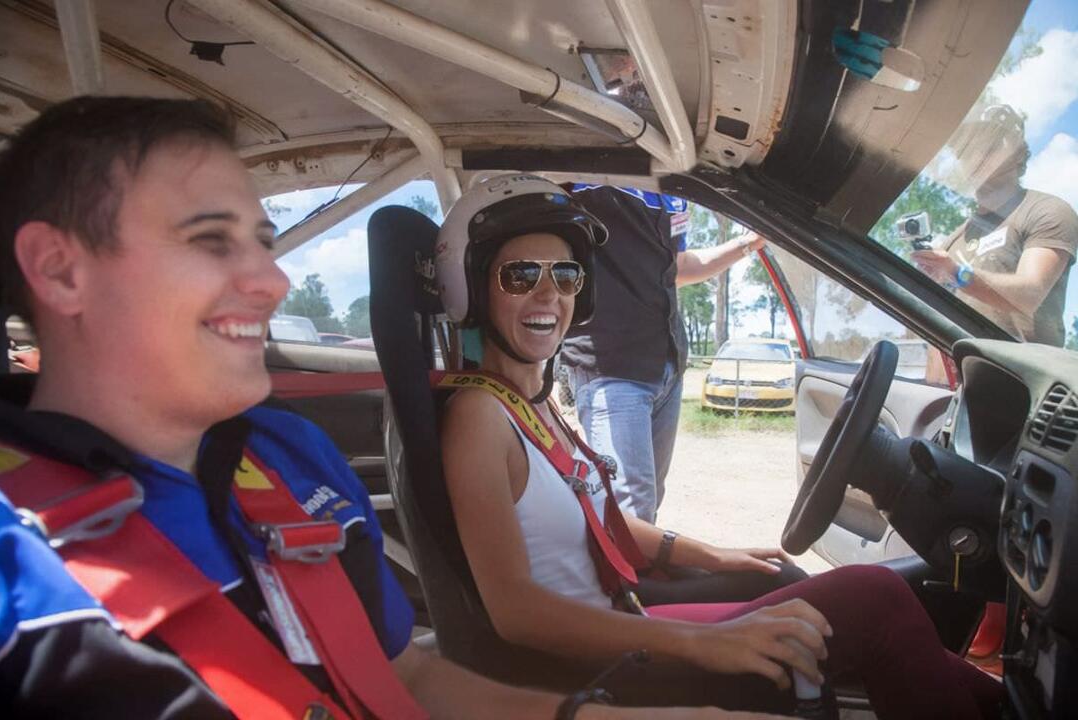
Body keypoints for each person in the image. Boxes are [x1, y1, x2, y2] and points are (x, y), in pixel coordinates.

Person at [0, 97, 755, 720]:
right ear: (61, 271)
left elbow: (412, 680)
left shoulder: (288, 459)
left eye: (263, 242)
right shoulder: (16, 563)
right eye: (210, 239)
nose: (271, 281)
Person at [437, 174, 1004, 718]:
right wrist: (697, 643)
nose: (549, 294)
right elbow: (515, 613)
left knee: (795, 582)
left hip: (624, 621)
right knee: (875, 597)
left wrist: (712, 553)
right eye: (520, 276)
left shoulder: (527, 402)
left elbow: (597, 521)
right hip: (601, 669)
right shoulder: (479, 416)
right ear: (474, 285)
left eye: (566, 276)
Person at [560, 184, 765, 525]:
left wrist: (749, 242)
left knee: (648, 501)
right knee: (629, 506)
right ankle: (621, 577)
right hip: (611, 364)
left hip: (667, 365)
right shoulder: (583, 175)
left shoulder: (673, 186)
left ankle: (638, 574)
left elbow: (679, 266)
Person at [912, 104, 1077, 346]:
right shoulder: (956, 239)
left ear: (1019, 153)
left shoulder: (1045, 211)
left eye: (990, 145)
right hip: (957, 380)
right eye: (966, 148)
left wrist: (957, 274)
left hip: (1020, 378)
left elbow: (1029, 295)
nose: (975, 154)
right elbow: (936, 325)